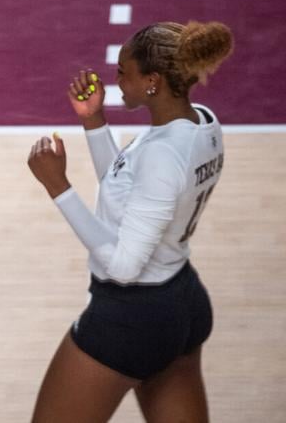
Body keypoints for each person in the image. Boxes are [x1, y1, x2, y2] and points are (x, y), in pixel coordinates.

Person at [26, 21, 234, 422]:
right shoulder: (202, 124)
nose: (117, 80)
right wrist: (94, 120)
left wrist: (59, 187)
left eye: (125, 73)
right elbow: (124, 189)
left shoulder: (162, 155)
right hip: (183, 301)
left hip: (132, 317)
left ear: (152, 81)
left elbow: (123, 266)